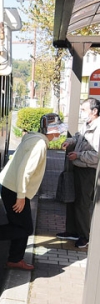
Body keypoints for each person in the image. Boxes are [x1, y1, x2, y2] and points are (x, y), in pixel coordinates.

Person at [0, 113, 66, 270]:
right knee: (25, 228)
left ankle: (15, 259)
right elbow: (25, 171)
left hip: (12, 187)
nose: (59, 133)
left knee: (20, 225)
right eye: (58, 129)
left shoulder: (33, 138)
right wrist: (21, 197)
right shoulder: (39, 145)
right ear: (51, 130)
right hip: (15, 190)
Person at [56, 97, 100, 249]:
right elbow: (77, 137)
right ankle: (73, 231)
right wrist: (70, 142)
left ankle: (84, 235)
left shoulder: (98, 128)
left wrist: (78, 155)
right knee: (73, 200)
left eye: (84, 110)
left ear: (94, 111)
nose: (82, 113)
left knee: (82, 203)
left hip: (88, 171)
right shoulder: (87, 124)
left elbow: (96, 155)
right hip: (78, 167)